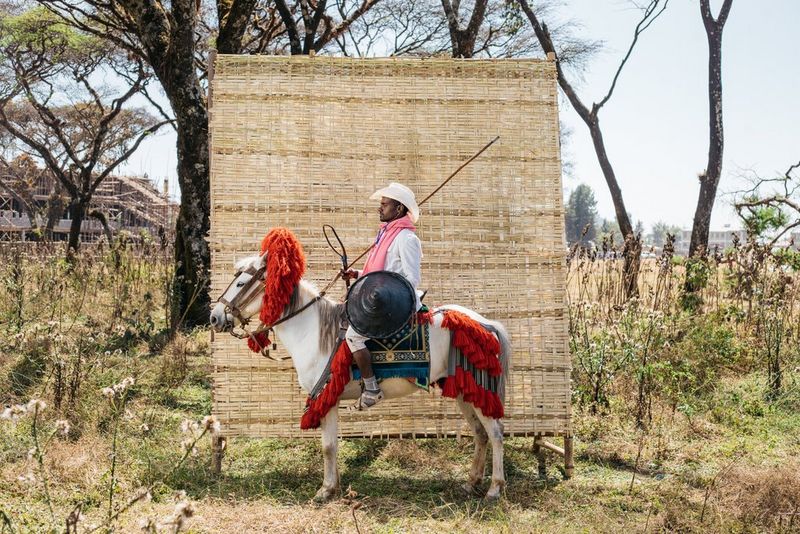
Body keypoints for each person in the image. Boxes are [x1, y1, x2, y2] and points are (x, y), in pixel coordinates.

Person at [342, 182, 423, 410]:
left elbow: (411, 278)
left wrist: (384, 295)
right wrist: (357, 274)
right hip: (381, 298)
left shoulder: (406, 239)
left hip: (395, 304)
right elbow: (381, 271)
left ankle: (371, 389)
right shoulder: (386, 235)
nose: (380, 208)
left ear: (398, 210)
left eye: (384, 205)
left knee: (353, 336)